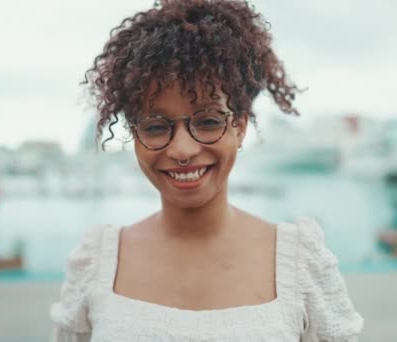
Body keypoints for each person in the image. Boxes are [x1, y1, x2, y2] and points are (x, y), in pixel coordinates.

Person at [50, 0, 363, 340]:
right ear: (134, 134)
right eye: (156, 126)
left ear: (240, 126)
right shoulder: (97, 263)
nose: (182, 149)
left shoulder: (300, 264)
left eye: (209, 121)